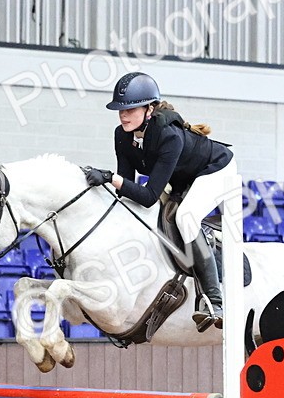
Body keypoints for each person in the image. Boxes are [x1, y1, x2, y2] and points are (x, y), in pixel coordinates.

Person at [84, 72, 237, 332]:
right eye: (121, 109)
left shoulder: (169, 135)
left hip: (215, 170)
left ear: (149, 109)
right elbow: (127, 188)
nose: (123, 115)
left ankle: (214, 300)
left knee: (185, 217)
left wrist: (110, 178)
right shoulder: (122, 135)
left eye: (131, 109)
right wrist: (108, 186)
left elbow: (148, 195)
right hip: (180, 178)